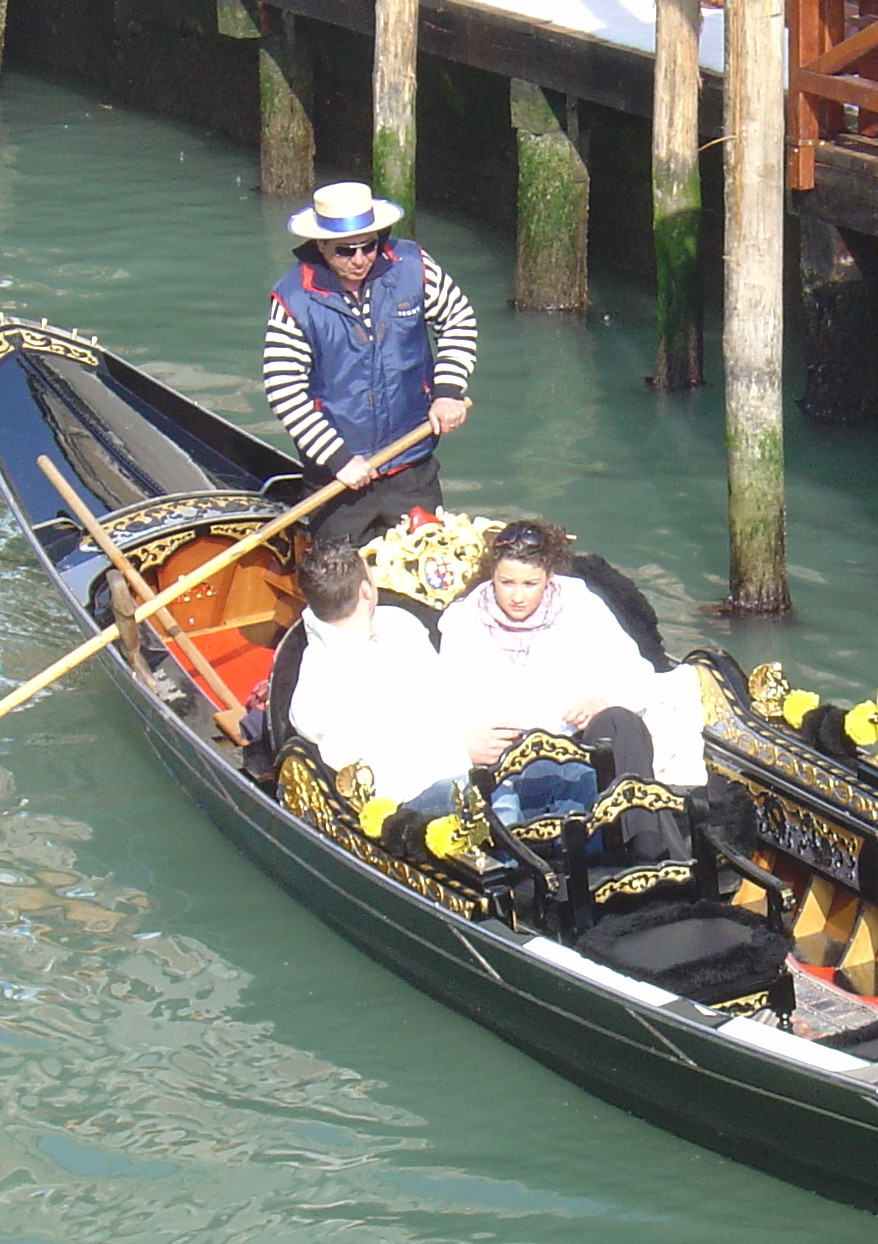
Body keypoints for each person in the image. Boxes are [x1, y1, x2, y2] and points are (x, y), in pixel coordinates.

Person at [262, 181, 480, 550]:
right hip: (338, 480)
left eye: (370, 246)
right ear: (321, 245)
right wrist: (338, 457)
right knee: (338, 589)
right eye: (346, 251)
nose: (360, 259)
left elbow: (457, 319)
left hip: (412, 466)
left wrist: (447, 391)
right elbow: (283, 388)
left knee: (429, 572)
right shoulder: (293, 299)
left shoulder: (414, 267)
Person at [437, 520, 707, 792]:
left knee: (622, 723)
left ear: (548, 576)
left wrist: (600, 700)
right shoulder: (462, 620)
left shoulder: (580, 603)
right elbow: (444, 702)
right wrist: (465, 746)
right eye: (506, 583)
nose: (517, 597)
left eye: (530, 584)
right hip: (501, 761)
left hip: (579, 747)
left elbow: (634, 673)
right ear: (492, 575)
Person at [287, 542, 472, 818]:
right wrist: (463, 747)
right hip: (410, 804)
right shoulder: (319, 686)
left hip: (463, 762)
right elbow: (383, 780)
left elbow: (447, 696)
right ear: (366, 589)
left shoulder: (400, 624)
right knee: (484, 791)